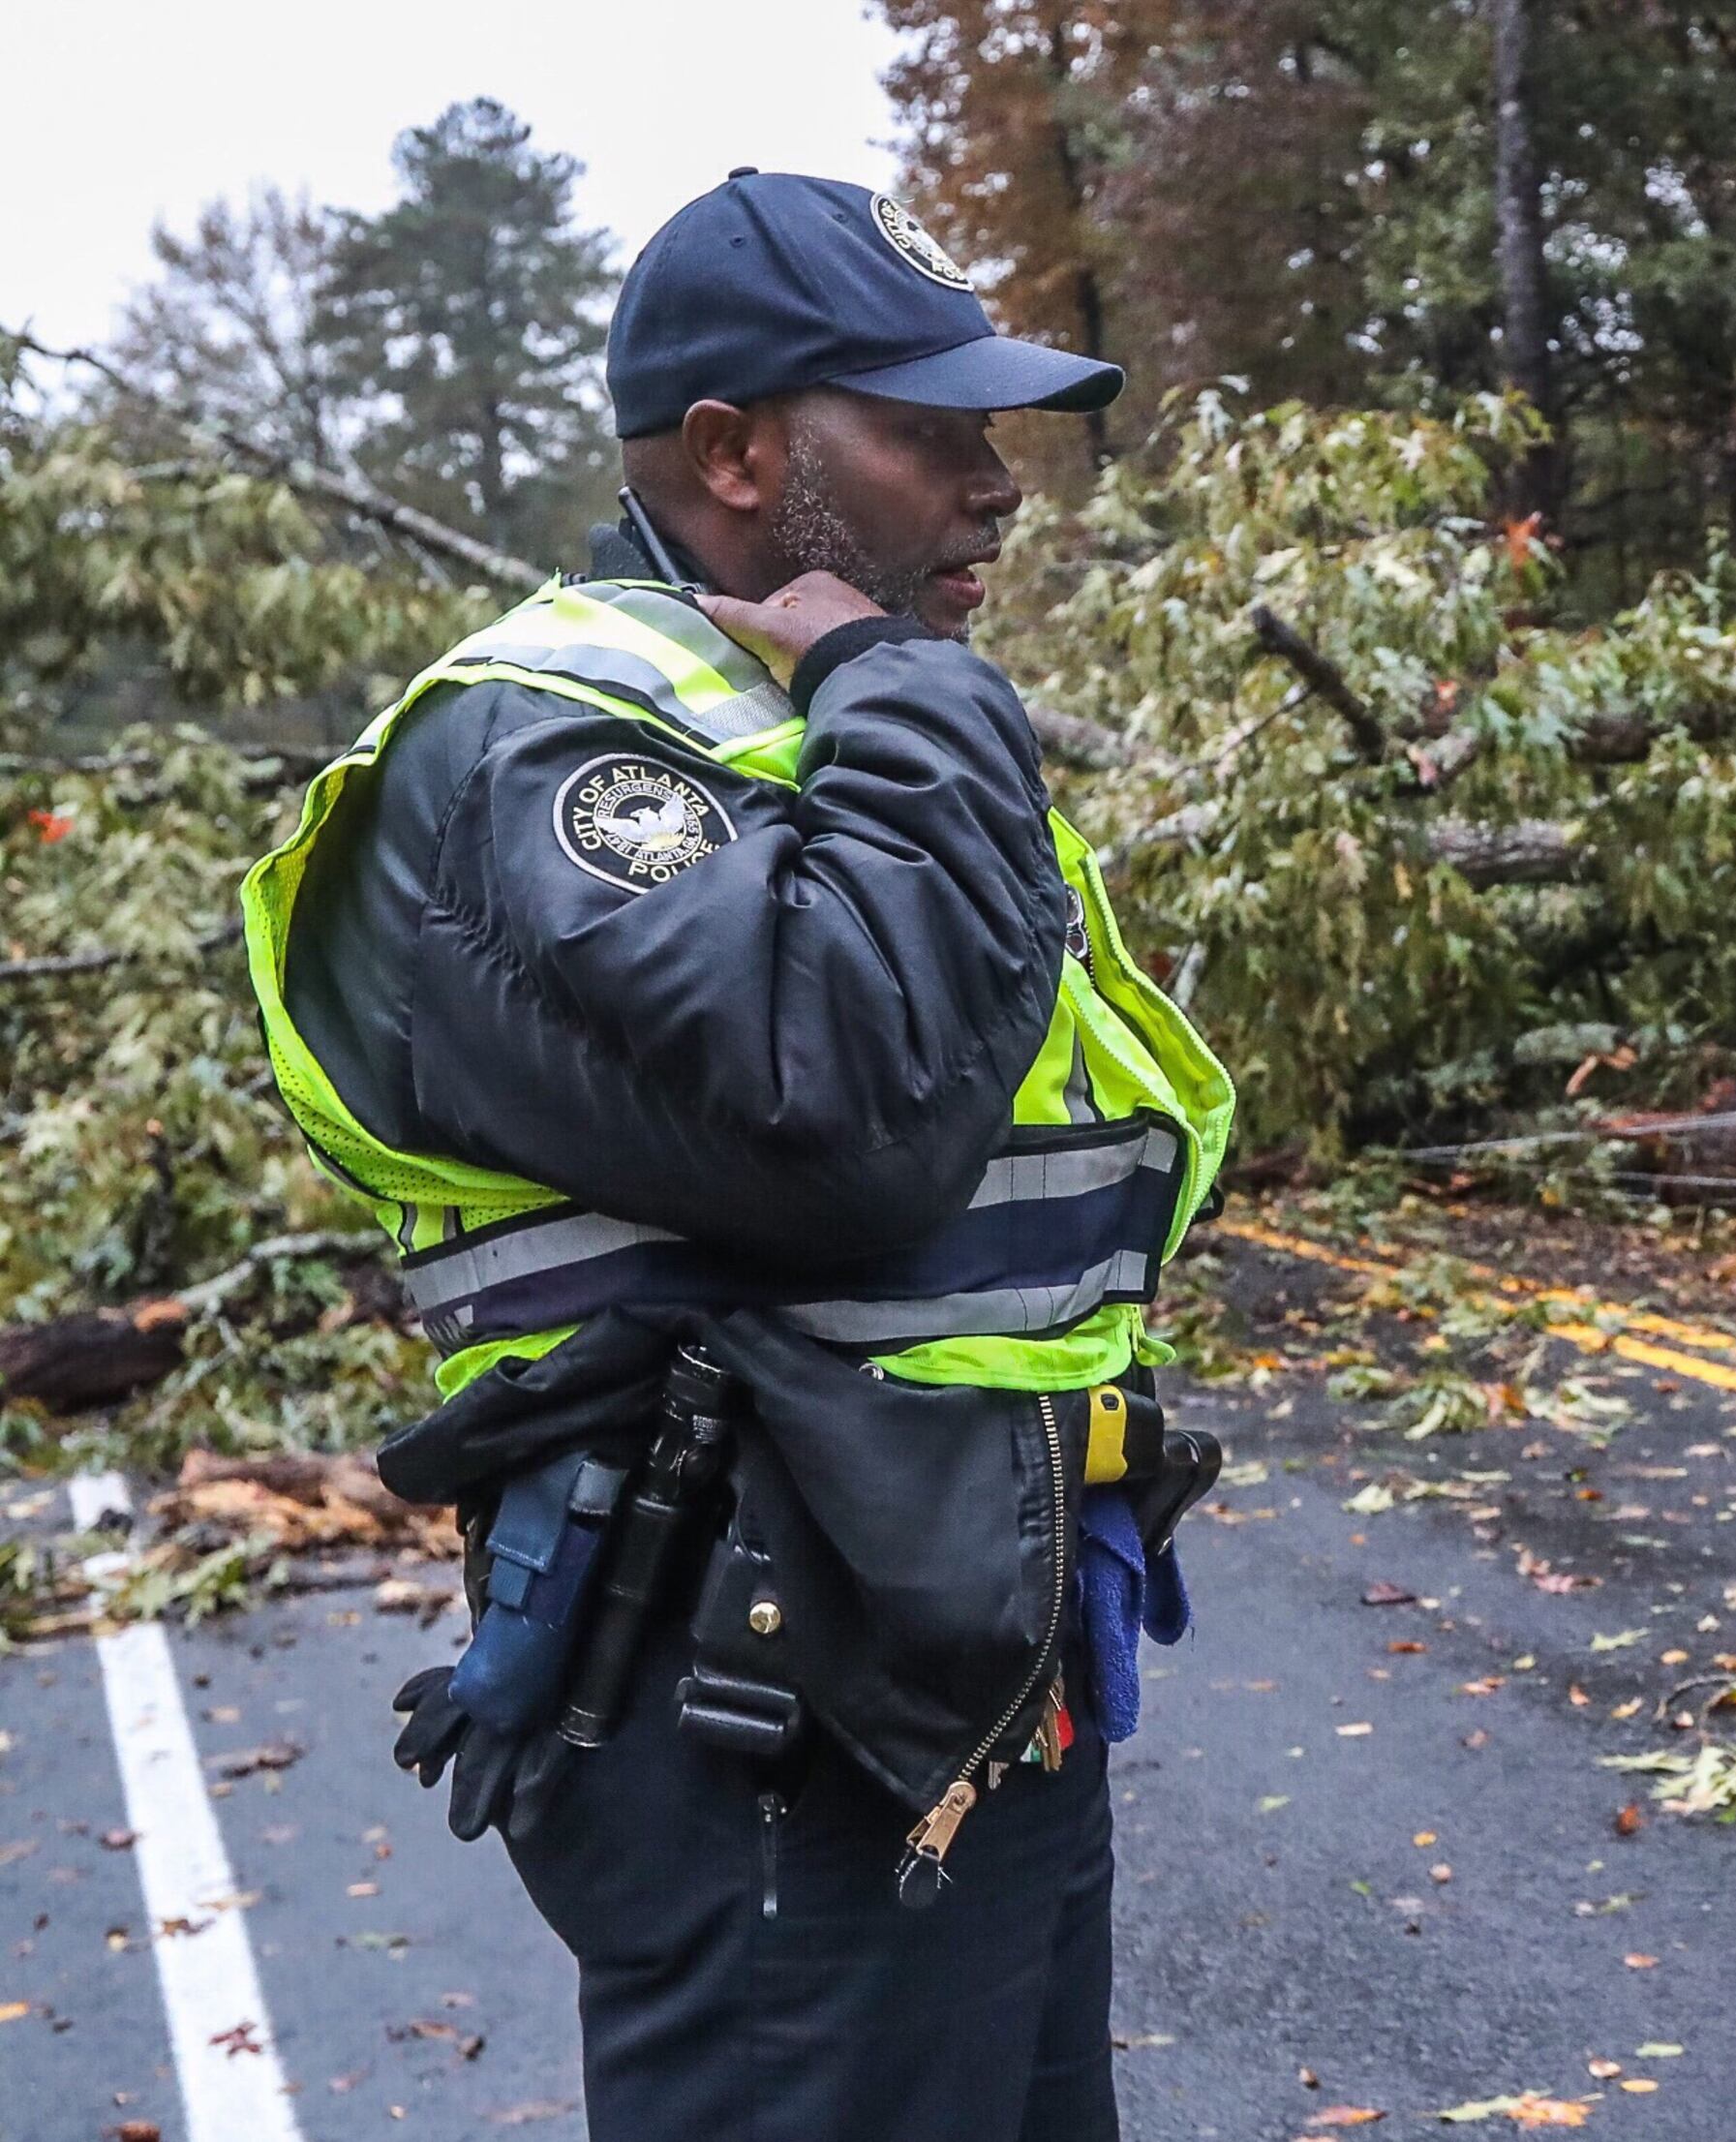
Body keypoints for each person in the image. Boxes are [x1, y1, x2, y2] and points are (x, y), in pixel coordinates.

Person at [237, 170, 1234, 2142]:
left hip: (956, 1661)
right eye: (931, 426)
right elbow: (838, 1115)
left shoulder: (794, 718)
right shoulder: (550, 750)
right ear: (737, 448)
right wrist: (913, 690)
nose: (997, 480)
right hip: (756, 1704)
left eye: (997, 429)